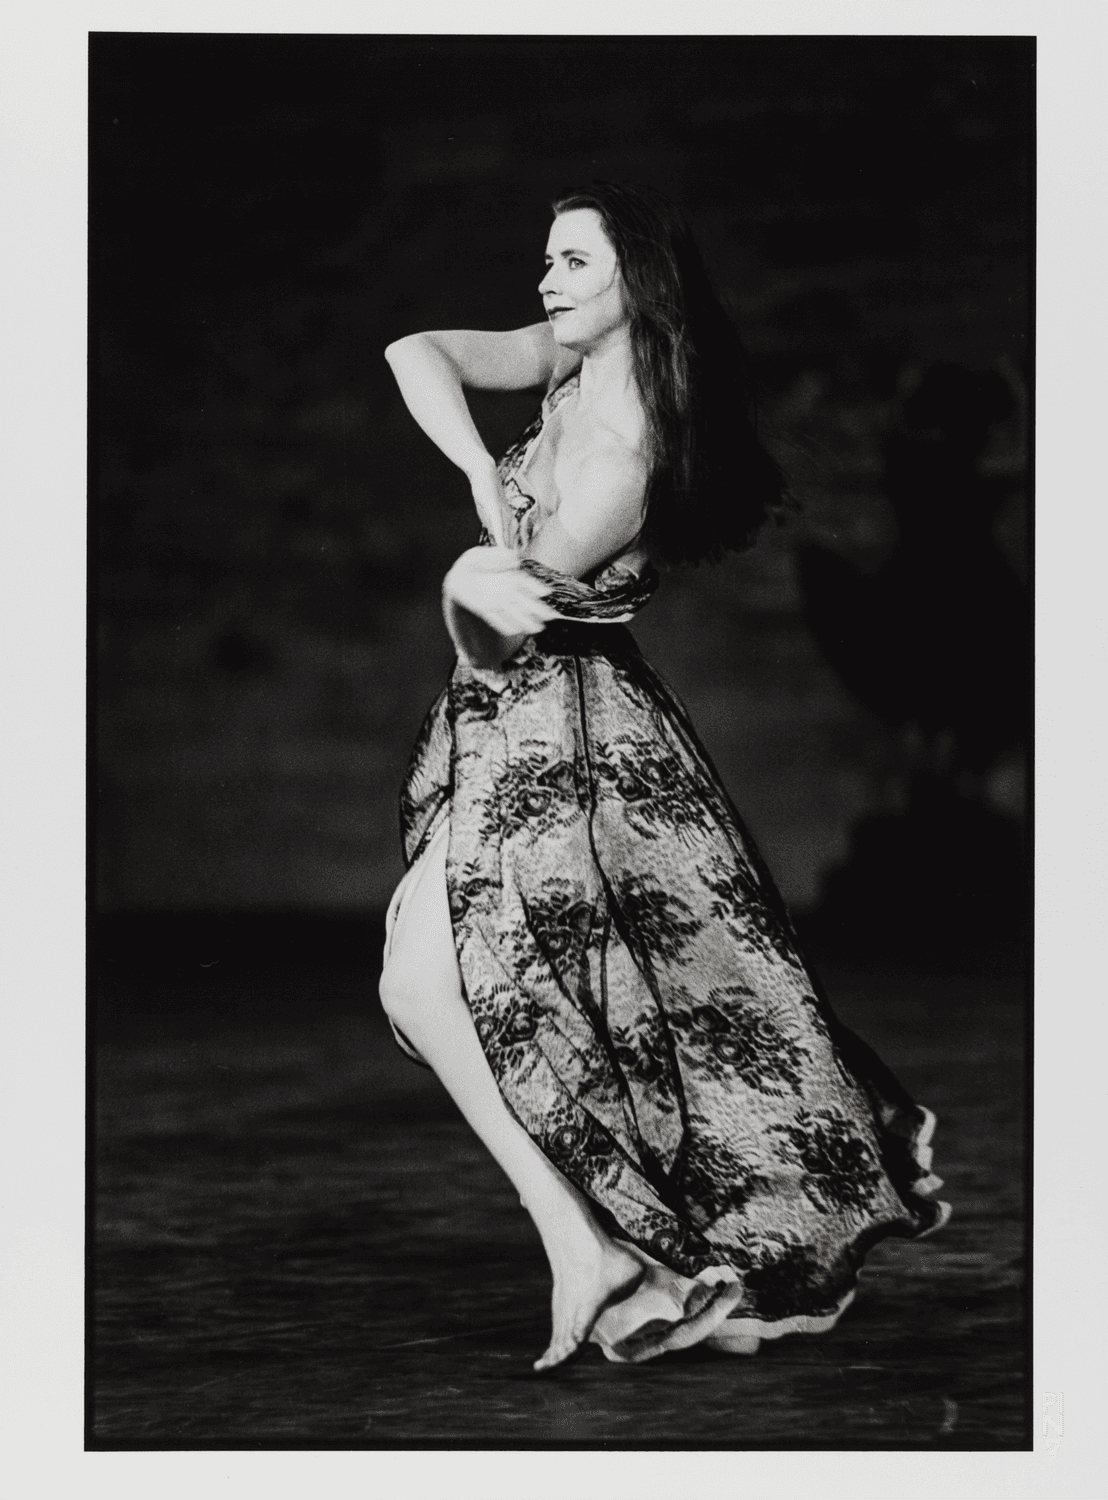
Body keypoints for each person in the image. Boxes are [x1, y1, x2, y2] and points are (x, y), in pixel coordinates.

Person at [379, 183, 948, 1372]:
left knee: (464, 988)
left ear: (636, 283)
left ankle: (600, 1249)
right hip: (512, 727)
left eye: (573, 263)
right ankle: (588, 1250)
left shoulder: (625, 459)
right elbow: (414, 352)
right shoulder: (565, 361)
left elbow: (502, 633)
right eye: (546, 259)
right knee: (421, 989)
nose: (546, 282)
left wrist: (469, 583)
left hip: (572, 750)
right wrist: (480, 474)